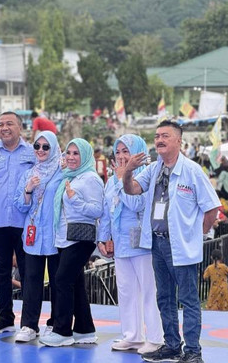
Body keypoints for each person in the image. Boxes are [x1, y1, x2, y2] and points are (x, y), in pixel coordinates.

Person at [122, 120, 220, 363]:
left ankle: (193, 351)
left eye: (165, 135)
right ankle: (172, 346)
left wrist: (198, 235)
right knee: (164, 297)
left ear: (179, 141)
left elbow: (212, 209)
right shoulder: (154, 169)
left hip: (182, 247)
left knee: (188, 299)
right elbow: (132, 189)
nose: (159, 140)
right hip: (157, 244)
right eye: (156, 136)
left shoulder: (192, 170)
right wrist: (127, 171)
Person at [97, 134, 163, 354]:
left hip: (141, 242)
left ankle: (155, 337)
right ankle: (132, 336)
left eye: (127, 151)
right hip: (121, 244)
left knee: (148, 290)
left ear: (138, 152)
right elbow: (107, 211)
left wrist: (121, 179)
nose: (122, 156)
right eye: (118, 152)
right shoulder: (113, 178)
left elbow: (135, 203)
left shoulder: (146, 174)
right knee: (126, 291)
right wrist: (102, 237)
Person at [39, 138, 103, 347]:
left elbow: (97, 210)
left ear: (85, 155)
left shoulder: (90, 178)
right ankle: (84, 329)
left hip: (81, 238)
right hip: (66, 238)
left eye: (76, 153)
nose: (72, 157)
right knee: (75, 283)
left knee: (62, 280)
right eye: (69, 153)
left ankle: (62, 330)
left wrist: (74, 199)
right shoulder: (71, 176)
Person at [0, 112, 36, 334]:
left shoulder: (33, 153)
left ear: (20, 128)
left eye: (9, 123)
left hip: (26, 221)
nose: (4, 128)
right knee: (1, 271)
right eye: (0, 124)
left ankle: (30, 322)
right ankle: (4, 316)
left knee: (28, 271)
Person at [11, 131, 63, 343]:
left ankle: (56, 324)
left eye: (45, 147)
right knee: (31, 280)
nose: (40, 151)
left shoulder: (63, 172)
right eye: (37, 146)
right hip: (33, 235)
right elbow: (20, 205)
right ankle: (29, 325)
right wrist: (28, 190)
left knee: (58, 281)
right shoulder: (29, 173)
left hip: (56, 235)